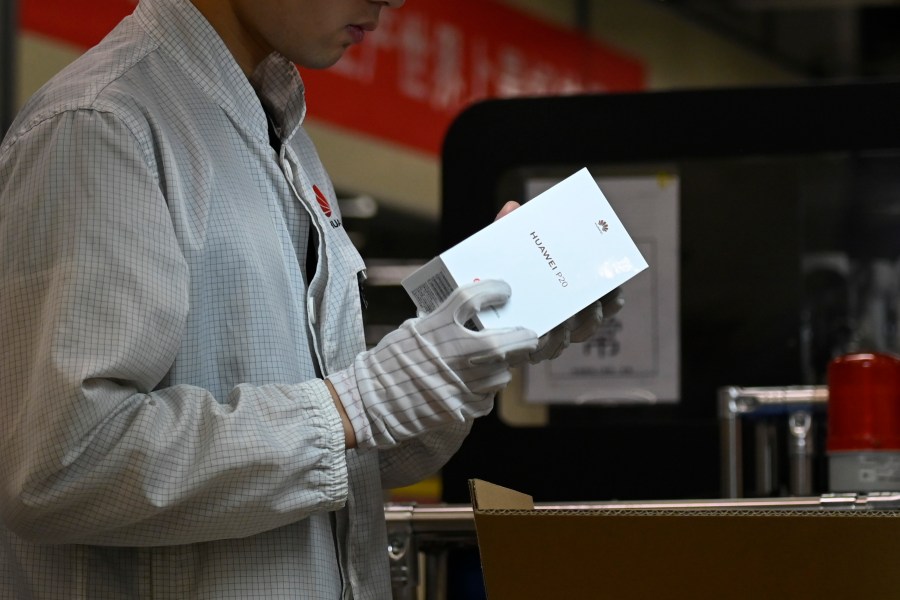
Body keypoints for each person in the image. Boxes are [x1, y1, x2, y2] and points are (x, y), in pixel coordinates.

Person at [0, 0, 622, 597]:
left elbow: (337, 463)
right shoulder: (101, 125)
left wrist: (459, 361)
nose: (395, 0)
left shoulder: (279, 134)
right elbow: (63, 467)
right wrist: (359, 402)